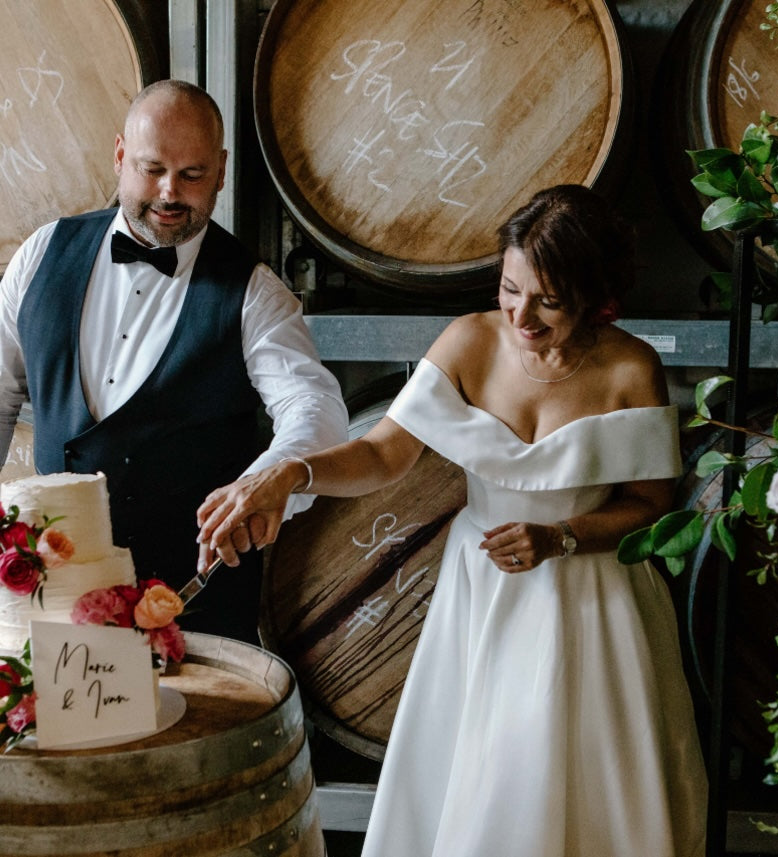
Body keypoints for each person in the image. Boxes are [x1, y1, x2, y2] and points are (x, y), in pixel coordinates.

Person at [196, 184, 708, 855]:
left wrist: (561, 535)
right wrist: (291, 471)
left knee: (591, 791)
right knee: (481, 786)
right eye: (509, 287)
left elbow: (650, 505)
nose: (521, 314)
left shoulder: (628, 367)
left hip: (592, 600)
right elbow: (382, 454)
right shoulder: (468, 341)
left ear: (593, 294)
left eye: (548, 300)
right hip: (481, 595)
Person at [0, 79, 348, 645]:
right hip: (55, 600)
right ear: (119, 156)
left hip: (193, 609)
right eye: (151, 168)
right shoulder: (42, 253)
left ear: (222, 170)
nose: (168, 192)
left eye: (192, 175)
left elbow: (316, 408)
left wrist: (268, 479)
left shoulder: (254, 291)